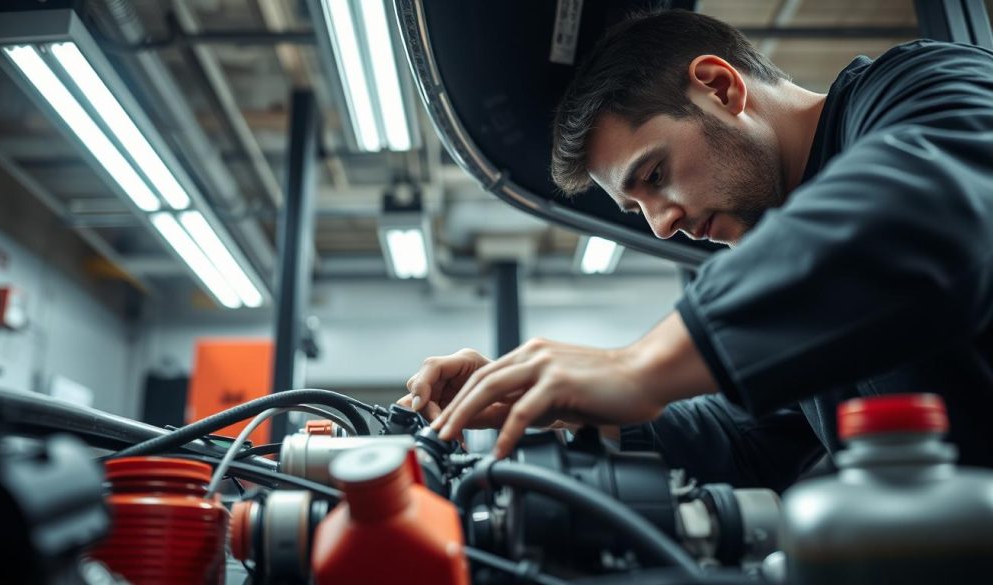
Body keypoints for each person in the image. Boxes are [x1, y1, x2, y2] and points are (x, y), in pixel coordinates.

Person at [399, 9, 993, 492]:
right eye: (637, 209)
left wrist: (637, 368)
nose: (660, 227)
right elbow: (750, 434)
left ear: (720, 86)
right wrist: (570, 406)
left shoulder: (925, 88)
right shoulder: (797, 279)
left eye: (655, 174)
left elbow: (923, 210)